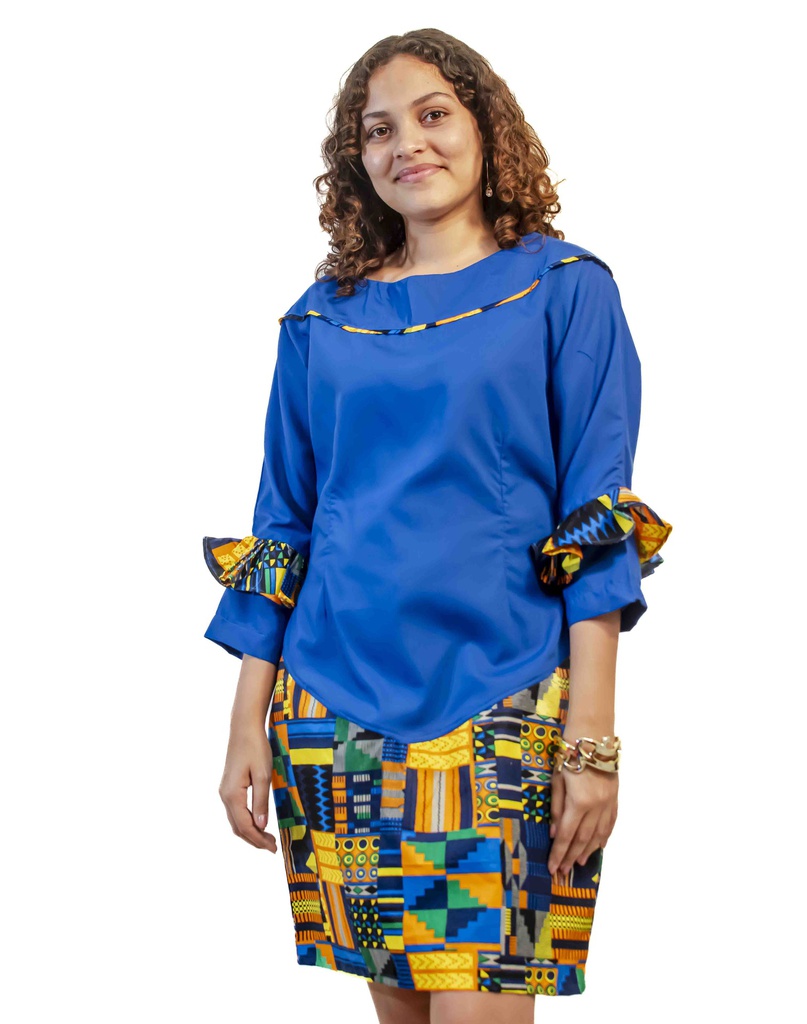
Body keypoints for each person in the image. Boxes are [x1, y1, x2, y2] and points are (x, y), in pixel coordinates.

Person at [201, 28, 672, 1023]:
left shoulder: (564, 290)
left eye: (432, 115)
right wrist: (246, 717)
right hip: (334, 709)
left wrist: (591, 738)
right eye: (377, 130)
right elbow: (284, 520)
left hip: (502, 702)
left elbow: (596, 519)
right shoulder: (319, 321)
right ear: (356, 161)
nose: (406, 144)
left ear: (485, 127)